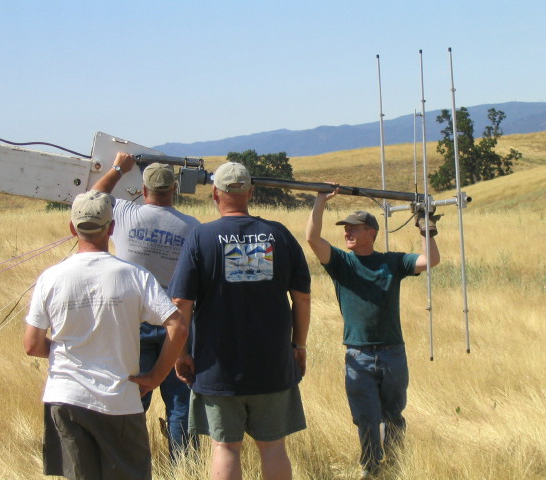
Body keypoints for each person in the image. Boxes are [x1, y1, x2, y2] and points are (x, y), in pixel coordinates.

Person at [24, 190, 188, 480]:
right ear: (111, 228)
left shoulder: (50, 278)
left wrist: (66, 349)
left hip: (65, 397)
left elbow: (32, 345)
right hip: (118, 399)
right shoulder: (134, 276)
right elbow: (178, 326)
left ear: (72, 228)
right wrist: (157, 377)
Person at [168, 162, 311, 480]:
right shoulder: (279, 235)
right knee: (273, 447)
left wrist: (181, 353)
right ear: (250, 192)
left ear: (215, 193)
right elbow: (301, 298)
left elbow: (181, 303)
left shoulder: (200, 237)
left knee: (226, 448)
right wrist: (298, 345)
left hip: (217, 367)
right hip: (272, 363)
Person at [305, 186, 440, 479]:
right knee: (366, 418)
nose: (347, 233)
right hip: (358, 355)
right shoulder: (342, 264)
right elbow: (312, 239)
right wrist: (319, 203)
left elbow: (430, 261)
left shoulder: (392, 262)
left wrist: (426, 226)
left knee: (393, 417)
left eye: (354, 228)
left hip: (393, 353)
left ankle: (393, 466)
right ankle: (370, 467)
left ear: (372, 233)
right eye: (346, 229)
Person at [91, 153, 200, 460]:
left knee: (130, 401)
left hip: (130, 323)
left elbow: (92, 198)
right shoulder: (192, 227)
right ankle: (185, 467)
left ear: (143, 188)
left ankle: (128, 464)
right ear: (174, 188)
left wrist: (117, 168)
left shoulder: (125, 213)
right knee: (181, 404)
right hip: (175, 324)